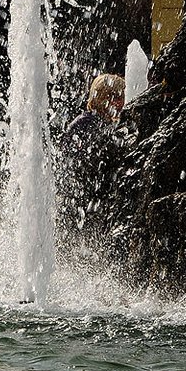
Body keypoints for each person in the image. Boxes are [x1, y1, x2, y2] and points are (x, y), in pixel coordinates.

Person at [56, 73, 125, 247]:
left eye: (122, 97)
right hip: (80, 198)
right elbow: (74, 164)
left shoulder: (107, 123)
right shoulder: (86, 123)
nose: (121, 103)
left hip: (93, 198)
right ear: (102, 98)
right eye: (116, 97)